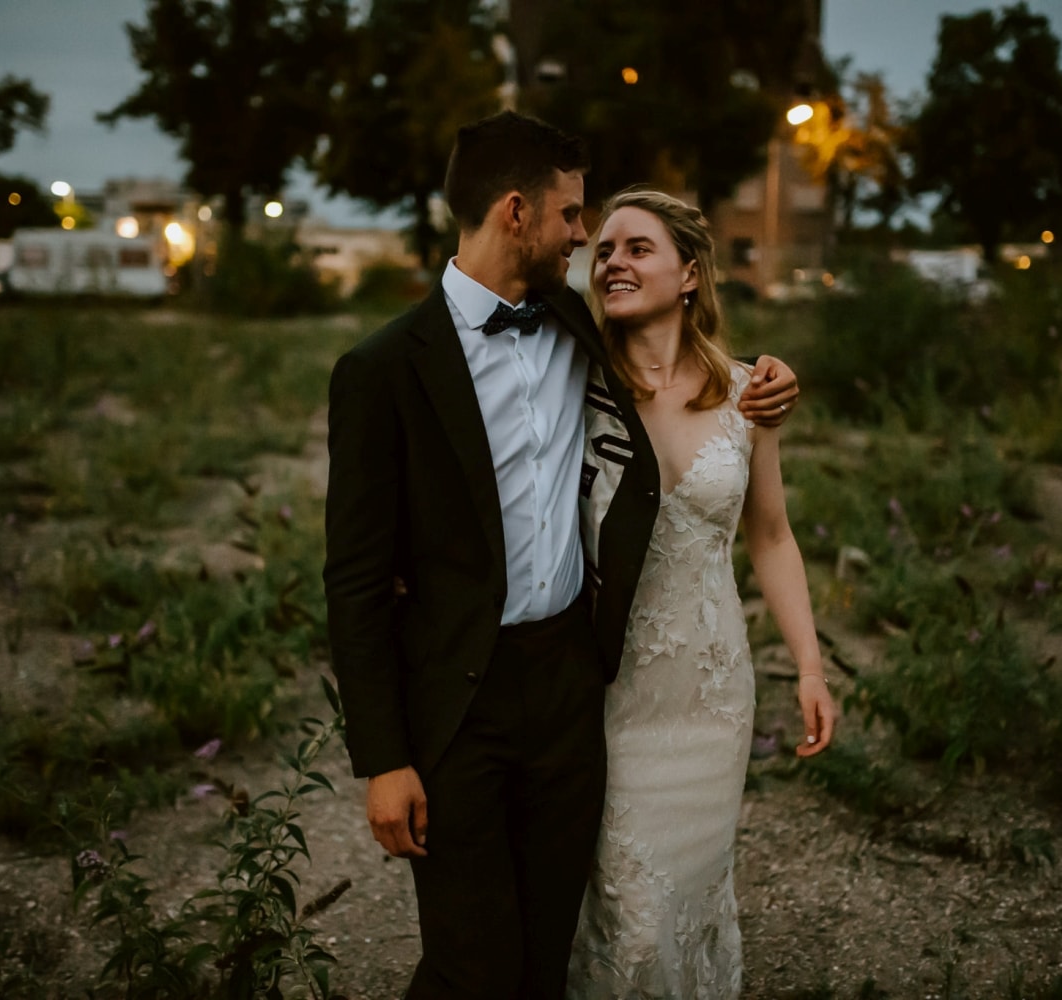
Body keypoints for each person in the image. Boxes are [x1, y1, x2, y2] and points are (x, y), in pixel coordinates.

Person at [322, 112, 801, 1000]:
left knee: (550, 954)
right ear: (517, 212)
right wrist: (381, 759)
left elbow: (683, 372)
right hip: (455, 706)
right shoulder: (381, 368)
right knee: (472, 963)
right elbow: (352, 581)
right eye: (574, 216)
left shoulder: (581, 331)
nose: (585, 238)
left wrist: (768, 378)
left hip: (571, 693)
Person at [567, 188, 836, 999]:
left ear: (689, 273)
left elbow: (771, 534)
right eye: (604, 249)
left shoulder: (750, 393)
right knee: (623, 908)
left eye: (636, 248)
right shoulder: (572, 385)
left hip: (711, 697)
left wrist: (812, 668)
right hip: (605, 693)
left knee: (686, 898)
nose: (613, 261)